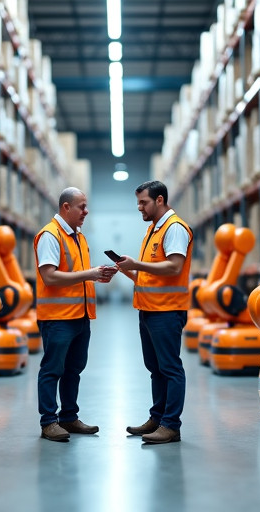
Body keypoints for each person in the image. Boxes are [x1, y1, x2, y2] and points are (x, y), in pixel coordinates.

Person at [34, 187, 117, 442]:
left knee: (74, 369)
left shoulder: (78, 237)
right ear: (66, 207)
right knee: (52, 369)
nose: (86, 211)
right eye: (81, 206)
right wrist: (89, 274)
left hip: (79, 315)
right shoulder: (50, 235)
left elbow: (76, 275)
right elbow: (49, 276)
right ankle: (49, 421)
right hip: (58, 317)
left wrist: (97, 277)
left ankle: (69, 417)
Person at [114, 180, 193, 445]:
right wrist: (127, 270)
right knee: (155, 368)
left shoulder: (175, 229)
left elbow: (173, 268)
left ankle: (171, 425)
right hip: (149, 310)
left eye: (143, 202)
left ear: (159, 200)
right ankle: (157, 418)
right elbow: (149, 277)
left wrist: (137, 263)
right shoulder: (153, 231)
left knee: (170, 368)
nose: (139, 208)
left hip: (167, 311)